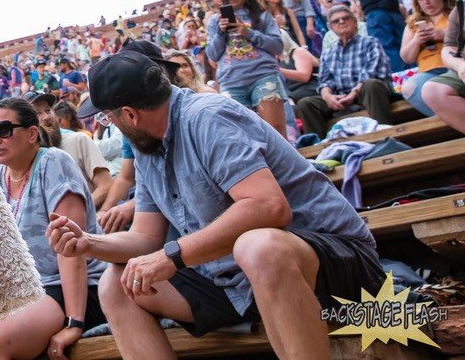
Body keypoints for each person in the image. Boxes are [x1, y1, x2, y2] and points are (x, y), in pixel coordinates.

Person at [49, 50, 384, 359]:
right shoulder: (147, 147)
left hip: (332, 257)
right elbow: (146, 239)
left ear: (130, 114)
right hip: (235, 278)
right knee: (117, 283)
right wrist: (89, 243)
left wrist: (173, 254)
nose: (109, 126)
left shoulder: (208, 117)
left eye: (107, 118)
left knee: (258, 247)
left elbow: (268, 207)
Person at [0, 98, 106, 360]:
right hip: (28, 289)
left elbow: (71, 248)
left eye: (4, 129)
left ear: (32, 134)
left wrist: (74, 322)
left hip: (74, 287)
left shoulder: (53, 163)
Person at [204, 0, 291, 139]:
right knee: (244, 139)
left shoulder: (261, 15)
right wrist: (222, 33)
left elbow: (277, 47)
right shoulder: (215, 21)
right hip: (231, 82)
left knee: (276, 134)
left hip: (263, 76)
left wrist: (248, 32)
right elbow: (212, 56)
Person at [295, 5, 396, 138]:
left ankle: (384, 137)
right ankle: (318, 149)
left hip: (367, 94)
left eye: (346, 18)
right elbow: (324, 81)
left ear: (355, 22)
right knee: (305, 103)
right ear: (331, 27)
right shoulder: (328, 53)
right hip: (340, 98)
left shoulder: (370, 43)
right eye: (336, 21)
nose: (341, 22)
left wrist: (353, 94)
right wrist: (328, 97)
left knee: (371, 84)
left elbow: (373, 72)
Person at [25, 92, 111, 208]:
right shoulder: (26, 158)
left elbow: (106, 185)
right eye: (37, 114)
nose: (46, 117)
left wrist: (79, 214)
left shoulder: (78, 140)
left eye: (48, 110)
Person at [398, 0, 455, 115]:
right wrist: (416, 41)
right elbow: (406, 58)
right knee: (408, 88)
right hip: (429, 72)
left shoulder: (456, 12)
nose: (426, 2)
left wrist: (443, 34)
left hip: (454, 65)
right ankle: (451, 119)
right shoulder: (413, 23)